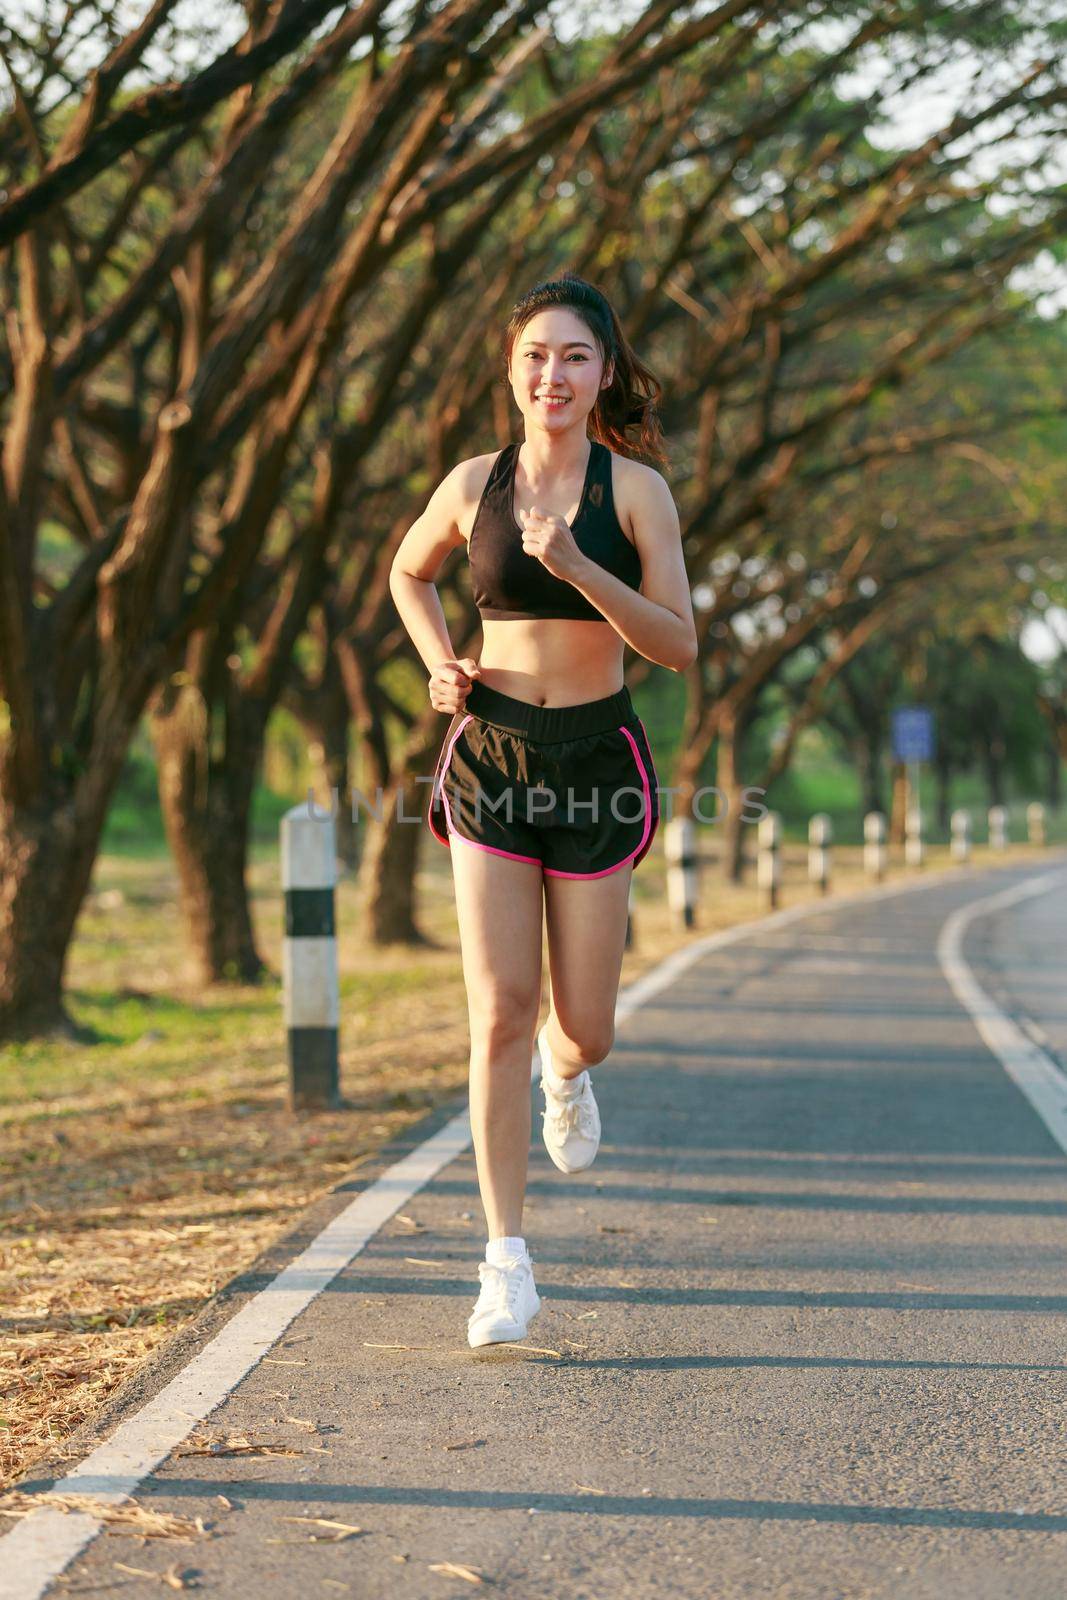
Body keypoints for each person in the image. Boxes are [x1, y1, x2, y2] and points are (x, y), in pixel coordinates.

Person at [388, 272, 696, 1348]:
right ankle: (503, 1262)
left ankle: (568, 1078)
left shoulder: (634, 493)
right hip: (492, 756)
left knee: (586, 1028)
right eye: (534, 356)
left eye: (573, 356)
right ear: (510, 370)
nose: (551, 374)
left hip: (596, 758)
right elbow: (405, 572)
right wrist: (440, 667)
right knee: (499, 1009)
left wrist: (575, 568)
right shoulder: (472, 484)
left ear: (603, 371)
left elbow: (676, 644)